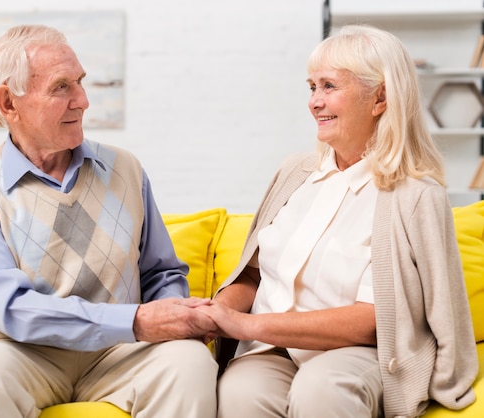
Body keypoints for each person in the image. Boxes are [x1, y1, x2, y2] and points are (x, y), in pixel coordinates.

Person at [199, 24, 478, 418]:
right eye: (312, 87)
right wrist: (214, 312)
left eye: (329, 86)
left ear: (380, 97)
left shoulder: (415, 196)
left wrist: (246, 327)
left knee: (321, 388)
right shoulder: (294, 172)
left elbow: (372, 320)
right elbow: (252, 275)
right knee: (239, 390)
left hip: (359, 355)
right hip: (270, 352)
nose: (315, 102)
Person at [0, 24, 218, 418]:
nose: (83, 100)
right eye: (61, 87)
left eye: (81, 83)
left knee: (189, 362)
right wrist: (137, 321)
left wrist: (174, 314)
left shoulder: (125, 169)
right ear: (8, 103)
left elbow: (159, 273)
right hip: (21, 353)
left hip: (121, 353)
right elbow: (11, 308)